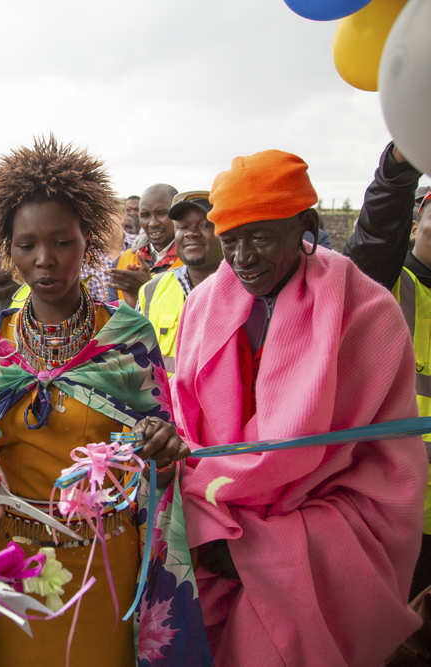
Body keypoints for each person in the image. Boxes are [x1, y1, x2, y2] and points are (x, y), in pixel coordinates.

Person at [173, 149, 427, 665]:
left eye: (260, 236)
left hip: (313, 541)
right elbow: (187, 425)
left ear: (306, 225)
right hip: (211, 527)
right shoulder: (202, 305)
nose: (242, 258)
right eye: (231, 240)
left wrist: (257, 550)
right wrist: (211, 523)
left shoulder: (366, 312)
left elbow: (382, 478)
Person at [0, 136, 189, 666]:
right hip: (10, 561)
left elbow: (164, 469)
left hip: (103, 562)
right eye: (27, 245)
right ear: (7, 250)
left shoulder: (127, 338)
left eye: (62, 241)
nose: (45, 260)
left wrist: (164, 453)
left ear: (89, 241)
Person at [342, 141, 431, 599]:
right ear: (415, 221)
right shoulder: (387, 283)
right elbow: (375, 240)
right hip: (399, 511)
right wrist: (398, 170)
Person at [136, 191, 223, 376]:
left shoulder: (247, 289)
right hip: (165, 404)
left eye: (205, 225)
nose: (192, 233)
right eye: (183, 227)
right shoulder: (151, 290)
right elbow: (135, 364)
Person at [108, 183, 182, 306]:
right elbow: (113, 319)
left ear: (177, 214)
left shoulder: (192, 262)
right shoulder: (123, 261)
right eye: (145, 215)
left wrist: (147, 288)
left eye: (161, 213)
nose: (153, 223)